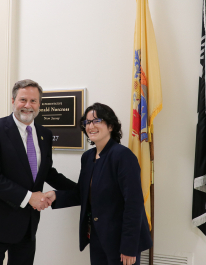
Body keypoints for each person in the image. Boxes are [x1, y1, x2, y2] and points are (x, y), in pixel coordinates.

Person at [0, 79, 76, 265]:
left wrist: (81, 189)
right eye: (23, 100)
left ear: (39, 104)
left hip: (27, 225)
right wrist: (29, 197)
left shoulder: (45, 134)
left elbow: (47, 172)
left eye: (33, 101)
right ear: (13, 100)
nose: (27, 106)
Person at [44, 102, 152, 265]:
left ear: (110, 126)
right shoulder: (88, 157)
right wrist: (55, 196)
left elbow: (134, 204)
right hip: (97, 238)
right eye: (87, 122)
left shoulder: (123, 156)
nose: (90, 126)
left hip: (121, 242)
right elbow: (83, 194)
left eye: (96, 121)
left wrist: (130, 246)